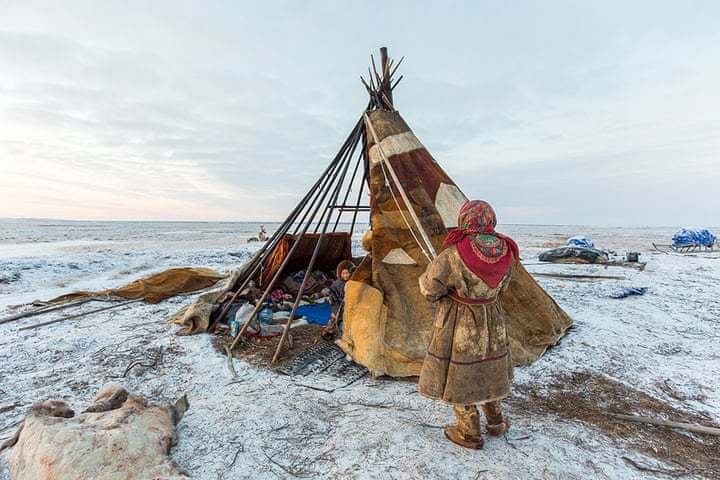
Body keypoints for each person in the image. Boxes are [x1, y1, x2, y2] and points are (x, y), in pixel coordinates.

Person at [417, 200, 519, 449]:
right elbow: (504, 286)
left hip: (461, 320)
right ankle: (495, 421)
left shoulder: (455, 253)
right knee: (489, 368)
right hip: (492, 318)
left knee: (462, 373)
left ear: (466, 219)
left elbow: (429, 288)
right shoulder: (506, 249)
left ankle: (469, 431)